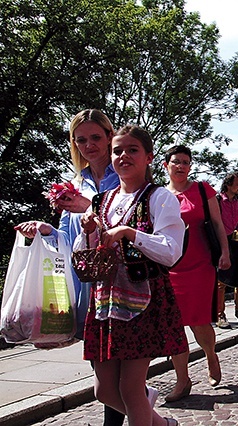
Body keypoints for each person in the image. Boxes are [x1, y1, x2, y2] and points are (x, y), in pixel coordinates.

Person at [14, 109, 132, 426]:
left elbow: (133, 225)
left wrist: (89, 206)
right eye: (81, 140)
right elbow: (70, 240)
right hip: (85, 284)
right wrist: (47, 230)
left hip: (120, 283)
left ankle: (138, 418)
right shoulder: (75, 183)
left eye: (96, 137)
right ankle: (150, 417)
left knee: (118, 369)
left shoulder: (124, 175)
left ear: (110, 137)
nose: (89, 145)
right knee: (103, 373)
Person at [75, 125, 186, 426]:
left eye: (132, 150)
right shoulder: (102, 200)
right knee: (104, 390)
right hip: (105, 301)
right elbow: (86, 254)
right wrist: (88, 232)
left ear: (148, 156)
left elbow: (171, 251)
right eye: (118, 150)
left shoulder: (160, 197)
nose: (124, 156)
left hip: (143, 300)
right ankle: (163, 424)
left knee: (130, 388)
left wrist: (130, 233)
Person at [163, 145, 229, 402]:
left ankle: (210, 355)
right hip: (170, 267)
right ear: (166, 165)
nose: (180, 166)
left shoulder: (202, 190)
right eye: (176, 161)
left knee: (199, 320)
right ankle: (182, 379)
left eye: (185, 162)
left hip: (200, 265)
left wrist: (225, 252)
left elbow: (217, 223)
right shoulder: (158, 195)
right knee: (174, 325)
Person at [216, 172, 238, 328]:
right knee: (221, 281)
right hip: (222, 241)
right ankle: (219, 314)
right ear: (229, 184)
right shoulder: (217, 201)